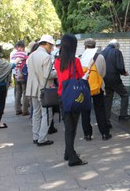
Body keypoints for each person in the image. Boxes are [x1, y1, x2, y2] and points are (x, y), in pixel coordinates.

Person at [55, 33, 88, 167]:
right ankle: (72, 157)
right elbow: (80, 76)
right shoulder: (75, 61)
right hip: (73, 96)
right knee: (72, 128)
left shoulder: (57, 61)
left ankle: (68, 153)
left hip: (62, 96)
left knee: (68, 126)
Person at [25, 35, 56, 146]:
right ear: (47, 44)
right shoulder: (46, 57)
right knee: (47, 113)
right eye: (51, 45)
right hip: (44, 88)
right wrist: (58, 73)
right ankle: (42, 138)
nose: (51, 48)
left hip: (33, 87)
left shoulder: (31, 55)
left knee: (36, 112)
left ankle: (36, 136)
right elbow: (48, 74)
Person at [80, 38, 111, 141]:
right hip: (98, 87)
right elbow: (103, 73)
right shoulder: (100, 57)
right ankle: (104, 134)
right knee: (100, 110)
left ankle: (88, 134)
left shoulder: (81, 57)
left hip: (85, 88)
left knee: (85, 111)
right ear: (95, 46)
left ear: (85, 46)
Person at [101, 39, 130, 125]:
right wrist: (124, 73)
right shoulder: (117, 52)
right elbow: (120, 66)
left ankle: (106, 121)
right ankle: (123, 115)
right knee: (124, 94)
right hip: (114, 79)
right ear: (116, 46)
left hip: (104, 79)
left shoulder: (102, 53)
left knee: (107, 99)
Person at [11, 40, 30, 116]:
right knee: (25, 93)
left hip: (16, 76)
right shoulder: (24, 54)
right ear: (23, 47)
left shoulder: (14, 55)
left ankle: (17, 109)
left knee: (18, 93)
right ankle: (25, 110)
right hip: (23, 76)